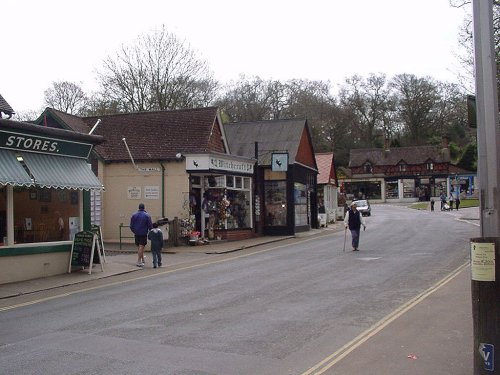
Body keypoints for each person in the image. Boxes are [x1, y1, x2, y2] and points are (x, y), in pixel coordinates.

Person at [130, 203, 153, 267]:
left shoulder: (134, 215)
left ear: (139, 208)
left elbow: (131, 226)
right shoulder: (147, 215)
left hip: (136, 233)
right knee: (141, 247)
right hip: (143, 233)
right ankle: (139, 261)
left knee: (139, 247)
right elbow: (150, 226)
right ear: (144, 208)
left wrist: (134, 231)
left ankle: (142, 259)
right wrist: (150, 230)